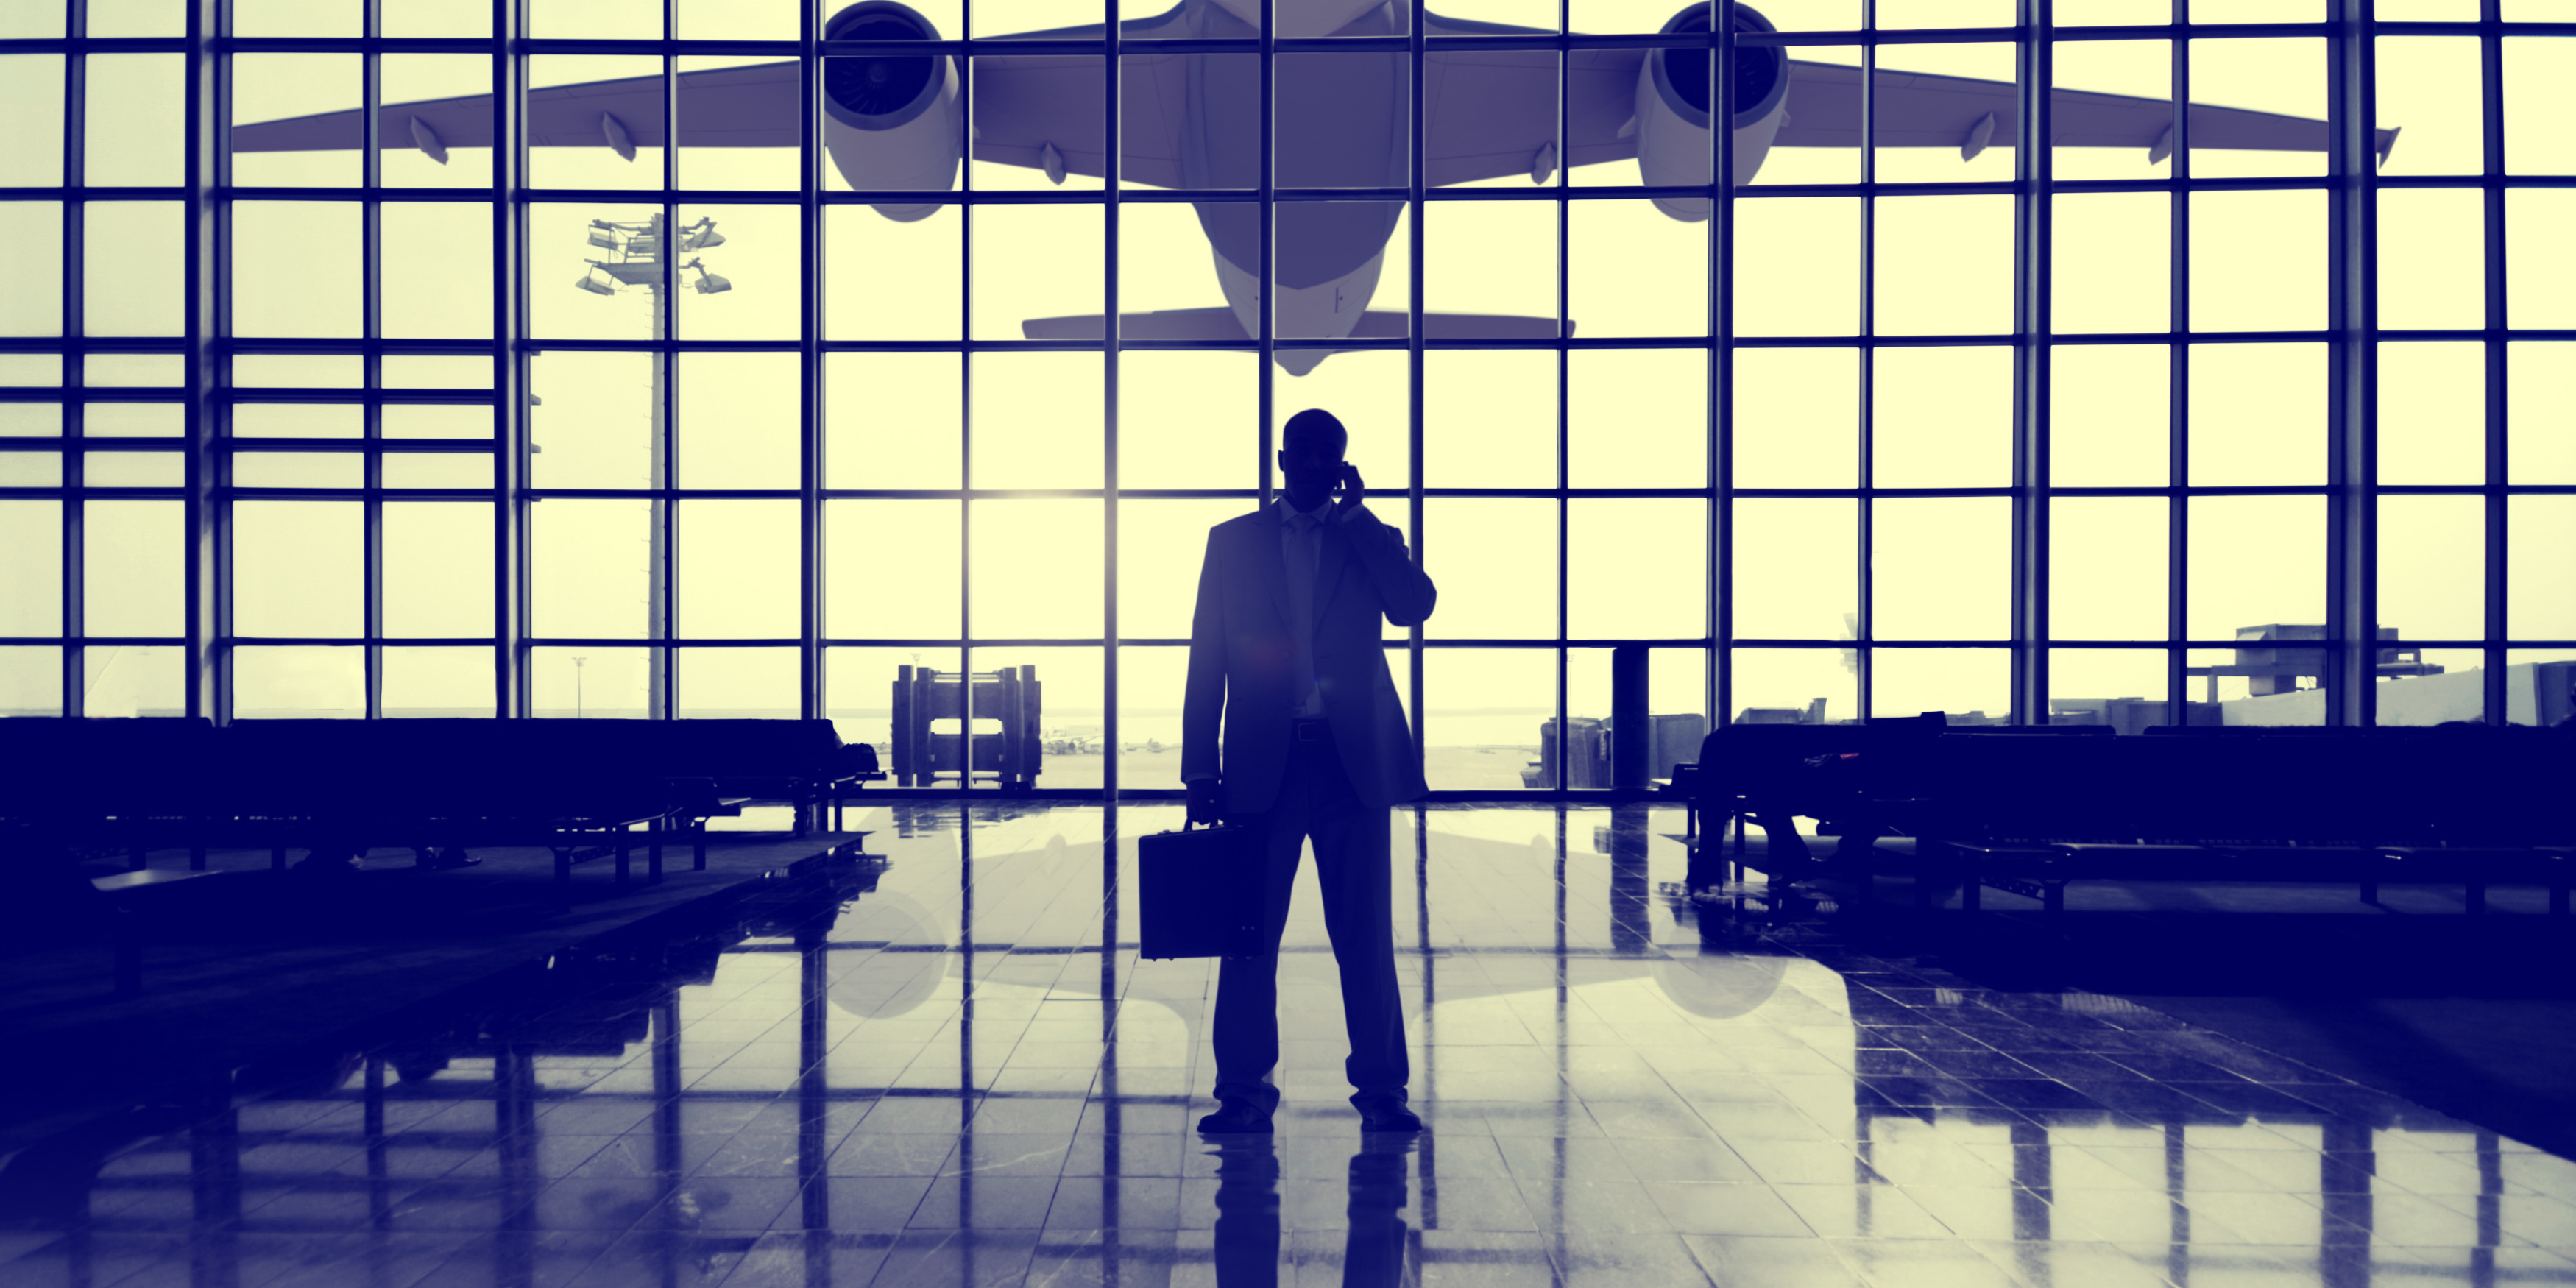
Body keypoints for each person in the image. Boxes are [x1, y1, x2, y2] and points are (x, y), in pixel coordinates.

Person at [1183, 408, 1437, 1135]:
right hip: (1263, 763)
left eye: (1332, 455)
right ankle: (1240, 1088)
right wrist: (1200, 764)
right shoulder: (1230, 542)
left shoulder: (1368, 537)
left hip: (1350, 765)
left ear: (1343, 464)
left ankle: (1383, 1088)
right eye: (1307, 452)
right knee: (1246, 933)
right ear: (1282, 456)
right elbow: (1207, 654)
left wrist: (1359, 520)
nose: (1318, 464)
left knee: (1364, 932)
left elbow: (1414, 605)